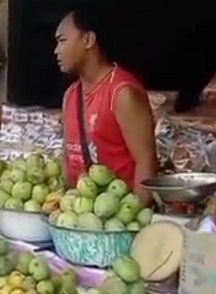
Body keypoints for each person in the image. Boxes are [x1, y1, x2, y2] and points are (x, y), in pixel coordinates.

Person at [55, 2, 158, 204]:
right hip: (79, 212)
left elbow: (146, 163)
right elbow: (68, 160)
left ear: (88, 40)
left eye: (62, 41)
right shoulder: (70, 95)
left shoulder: (122, 93)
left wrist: (135, 214)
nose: (56, 51)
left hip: (118, 211)